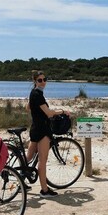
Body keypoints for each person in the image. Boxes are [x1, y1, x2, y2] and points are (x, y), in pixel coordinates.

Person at [26, 70, 70, 198]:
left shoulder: (34, 92)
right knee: (42, 160)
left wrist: (37, 111)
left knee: (28, 158)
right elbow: (49, 113)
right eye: (40, 80)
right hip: (42, 130)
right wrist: (62, 111)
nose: (43, 82)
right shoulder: (38, 94)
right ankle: (44, 190)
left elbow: (27, 108)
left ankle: (18, 178)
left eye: (44, 79)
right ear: (35, 81)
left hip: (34, 128)